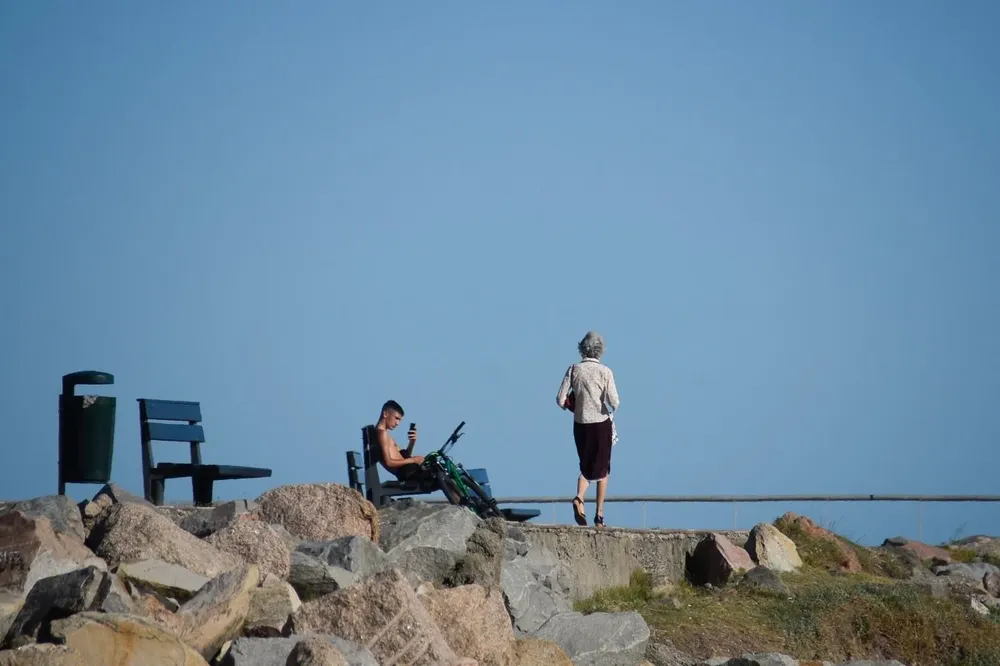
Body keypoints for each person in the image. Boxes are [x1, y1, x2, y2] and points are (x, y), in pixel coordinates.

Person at [556, 331, 620, 527]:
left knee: (585, 466)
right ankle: (599, 516)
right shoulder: (605, 372)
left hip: (580, 424)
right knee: (603, 468)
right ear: (600, 350)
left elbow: (560, 400)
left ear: (582, 349)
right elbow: (614, 401)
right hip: (601, 425)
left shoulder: (573, 370)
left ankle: (579, 497)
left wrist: (575, 406)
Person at [372, 399, 437, 490]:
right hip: (409, 473)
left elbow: (403, 456)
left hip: (409, 470)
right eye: (396, 418)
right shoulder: (381, 434)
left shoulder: (385, 434)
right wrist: (413, 460)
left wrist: (412, 442)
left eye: (399, 420)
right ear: (385, 414)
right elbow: (389, 462)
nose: (397, 423)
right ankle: (461, 503)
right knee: (442, 474)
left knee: (440, 468)